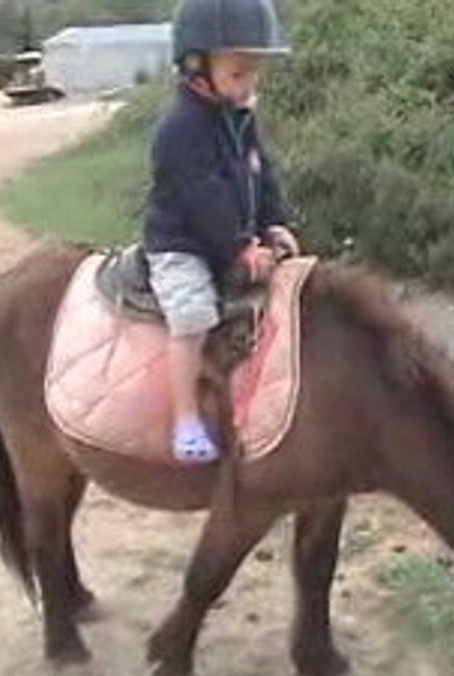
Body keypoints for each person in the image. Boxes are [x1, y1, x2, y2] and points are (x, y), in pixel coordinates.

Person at [143, 0, 299, 463]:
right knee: (191, 315)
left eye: (254, 73)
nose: (249, 84)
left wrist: (273, 223)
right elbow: (202, 198)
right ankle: (186, 419)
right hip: (184, 245)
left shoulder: (240, 117)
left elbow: (261, 173)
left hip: (235, 239)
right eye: (238, 73)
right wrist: (239, 247)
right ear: (197, 67)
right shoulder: (179, 129)